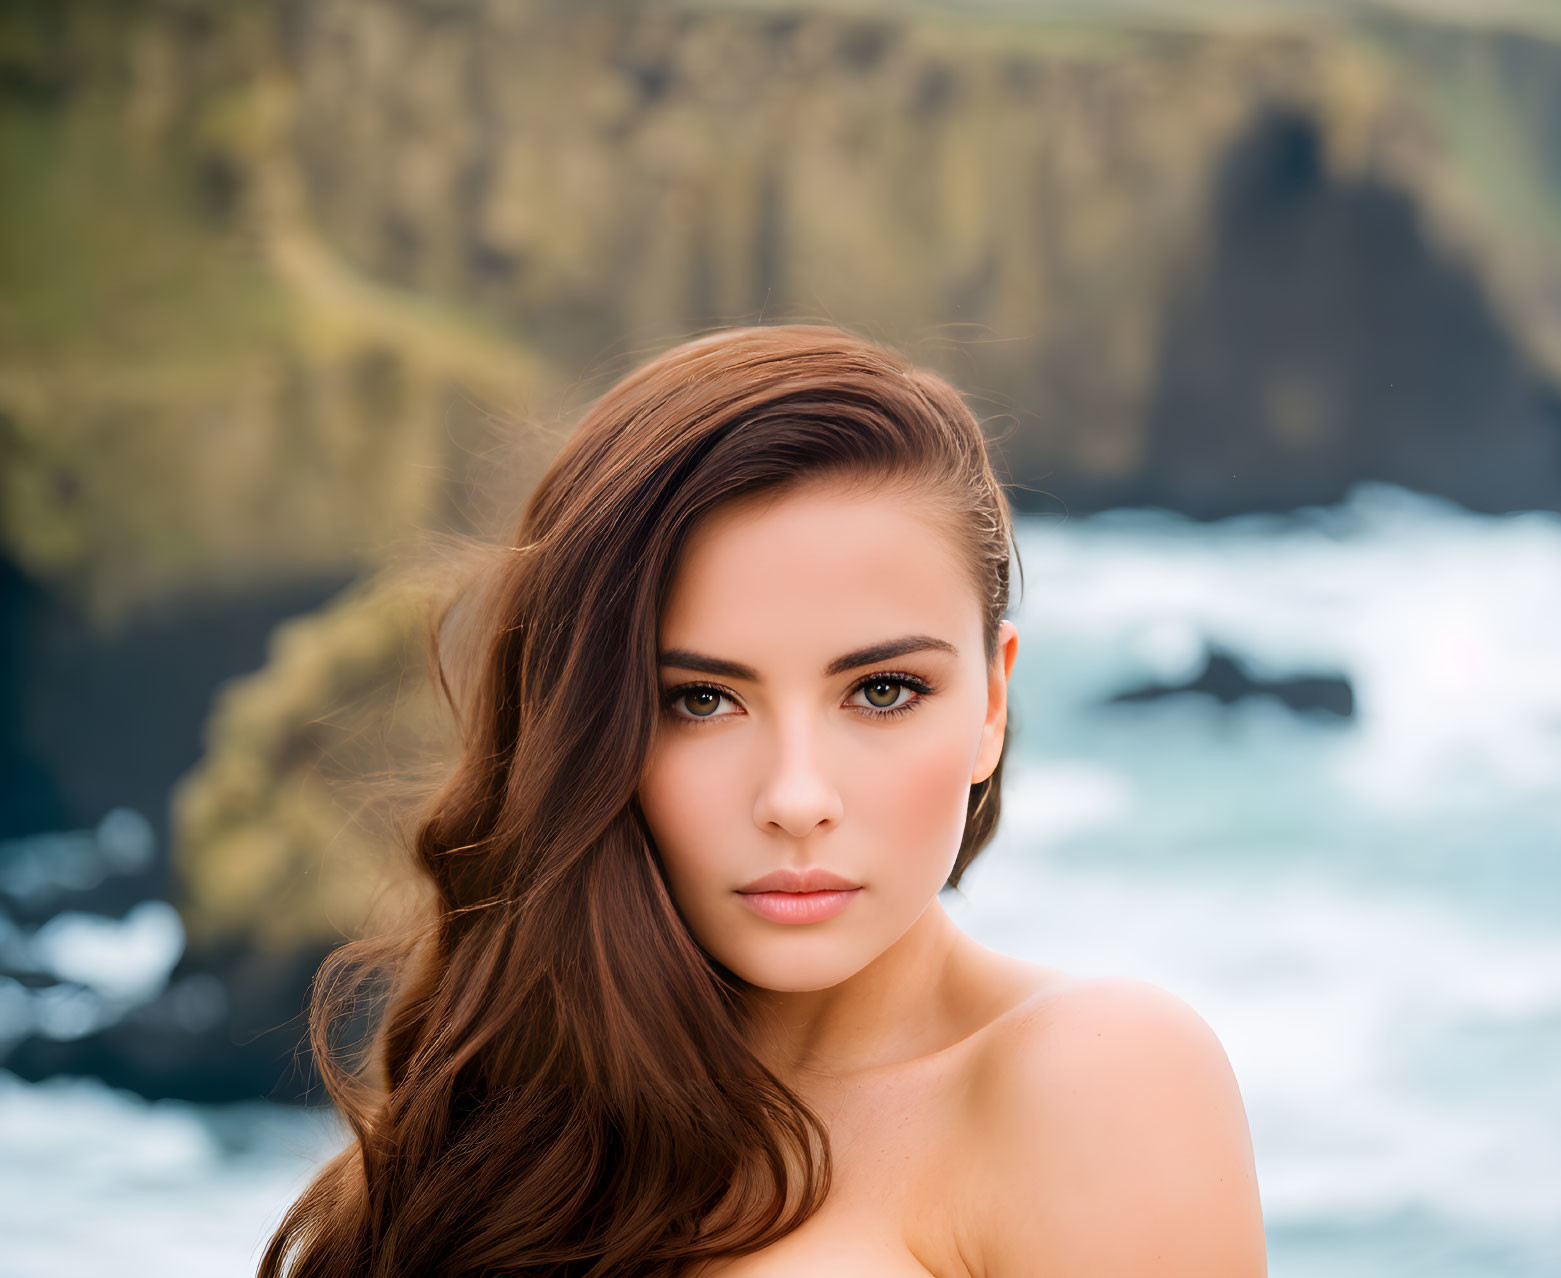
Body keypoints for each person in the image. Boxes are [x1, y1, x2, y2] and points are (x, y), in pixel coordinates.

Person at [259, 323, 1266, 1277]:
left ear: (993, 701)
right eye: (699, 700)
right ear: (587, 725)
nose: (794, 799)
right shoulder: (510, 1129)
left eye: (881, 691)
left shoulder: (1096, 1080)